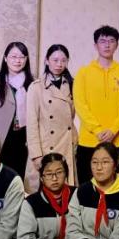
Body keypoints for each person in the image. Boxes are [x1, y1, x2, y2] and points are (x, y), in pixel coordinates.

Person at [75, 26, 119, 185]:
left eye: (111, 41)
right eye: (102, 41)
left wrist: (114, 130)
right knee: (88, 189)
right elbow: (80, 105)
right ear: (95, 45)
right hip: (89, 141)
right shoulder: (83, 73)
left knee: (117, 188)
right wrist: (97, 130)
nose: (107, 45)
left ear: (117, 45)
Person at [0, 40, 34, 181]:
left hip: (24, 138)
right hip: (1, 139)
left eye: (22, 57)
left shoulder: (32, 83)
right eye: (13, 57)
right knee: (0, 178)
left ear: (26, 59)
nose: (18, 60)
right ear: (5, 58)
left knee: (20, 178)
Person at [27, 44, 78, 191]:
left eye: (63, 60)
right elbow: (32, 123)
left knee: (66, 192)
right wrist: (36, 155)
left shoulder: (72, 85)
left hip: (67, 145)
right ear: (46, 61)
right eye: (55, 60)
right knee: (44, 192)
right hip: (45, 146)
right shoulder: (36, 87)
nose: (59, 64)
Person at [18, 153, 75, 239]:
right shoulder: (32, 203)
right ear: (41, 178)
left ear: (66, 174)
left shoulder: (77, 196)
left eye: (59, 172)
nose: (54, 178)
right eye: (49, 174)